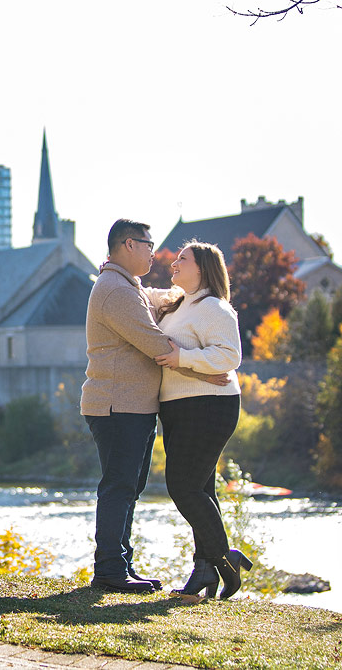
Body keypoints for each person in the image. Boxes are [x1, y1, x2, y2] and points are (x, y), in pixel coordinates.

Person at [82, 219, 227, 593]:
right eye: (148, 244)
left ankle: (120, 565)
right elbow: (153, 340)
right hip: (118, 404)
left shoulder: (126, 286)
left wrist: (196, 289)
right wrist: (206, 370)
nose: (153, 251)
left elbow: (160, 297)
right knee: (119, 486)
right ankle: (110, 570)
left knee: (130, 485)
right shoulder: (115, 289)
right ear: (129, 245)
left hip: (133, 405)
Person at [151, 241, 252, 600]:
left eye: (183, 259)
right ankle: (205, 568)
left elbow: (230, 356)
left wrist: (183, 358)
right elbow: (143, 294)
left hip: (210, 405)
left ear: (203, 269)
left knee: (183, 485)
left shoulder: (213, 307)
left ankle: (223, 556)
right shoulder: (177, 304)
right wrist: (113, 270)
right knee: (202, 488)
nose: (174, 263)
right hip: (178, 407)